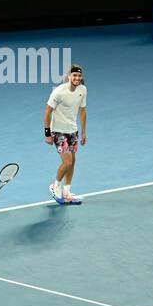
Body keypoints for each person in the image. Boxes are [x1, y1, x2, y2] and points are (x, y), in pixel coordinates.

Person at [44, 65, 88, 205]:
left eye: (79, 76)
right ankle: (55, 186)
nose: (77, 78)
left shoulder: (82, 90)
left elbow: (82, 111)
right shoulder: (59, 92)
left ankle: (67, 192)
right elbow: (47, 113)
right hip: (58, 131)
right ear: (69, 76)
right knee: (67, 161)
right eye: (74, 75)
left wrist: (83, 131)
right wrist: (47, 134)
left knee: (72, 162)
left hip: (72, 130)